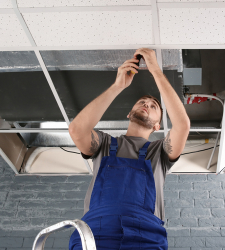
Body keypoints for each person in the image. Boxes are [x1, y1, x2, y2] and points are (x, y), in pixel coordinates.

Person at [68, 48, 190, 249]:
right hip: (96, 232)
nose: (146, 105)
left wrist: (156, 71)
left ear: (158, 125)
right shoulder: (105, 145)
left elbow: (182, 125)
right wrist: (117, 86)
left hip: (146, 236)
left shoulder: (159, 153)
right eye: (142, 102)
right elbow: (77, 129)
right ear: (129, 113)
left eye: (153, 106)